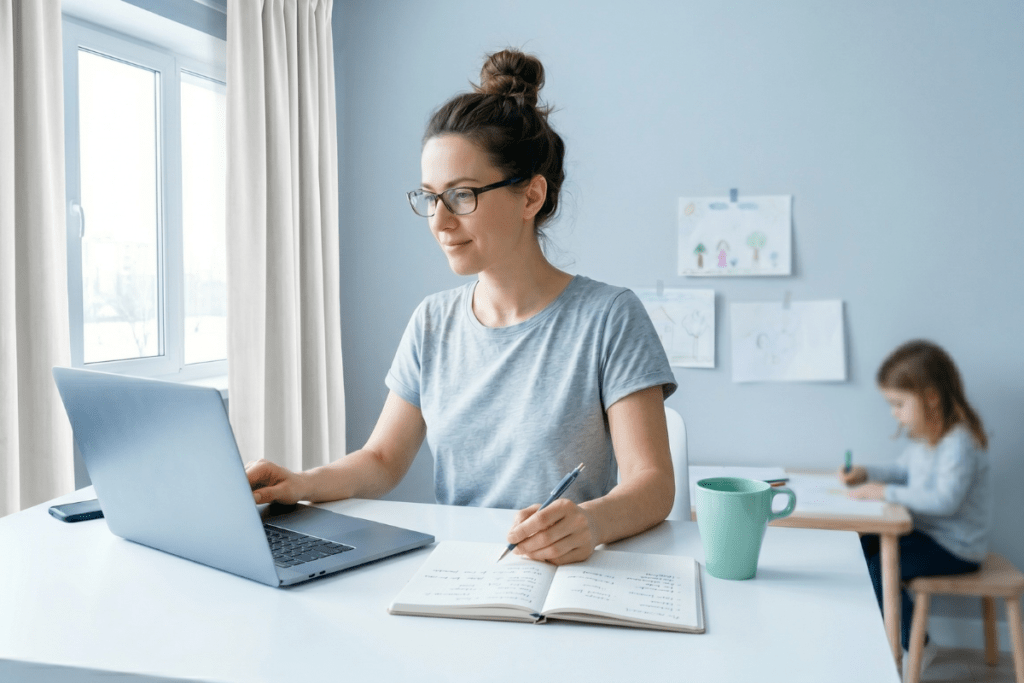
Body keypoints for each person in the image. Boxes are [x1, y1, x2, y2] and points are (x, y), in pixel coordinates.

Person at [246, 49, 677, 566]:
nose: (439, 220)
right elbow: (382, 459)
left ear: (530, 197)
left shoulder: (610, 317)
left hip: (567, 573)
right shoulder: (432, 321)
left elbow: (653, 483)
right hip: (463, 570)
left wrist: (590, 522)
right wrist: (301, 482)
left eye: (462, 195)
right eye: (430, 197)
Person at [840, 339, 990, 670]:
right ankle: (877, 631)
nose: (894, 413)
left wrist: (885, 493)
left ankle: (917, 644)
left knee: (883, 567)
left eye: (898, 404)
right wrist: (867, 473)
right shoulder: (926, 440)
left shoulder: (958, 443)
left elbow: (945, 501)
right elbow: (901, 471)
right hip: (928, 535)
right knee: (863, 545)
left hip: (957, 547)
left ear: (931, 398)